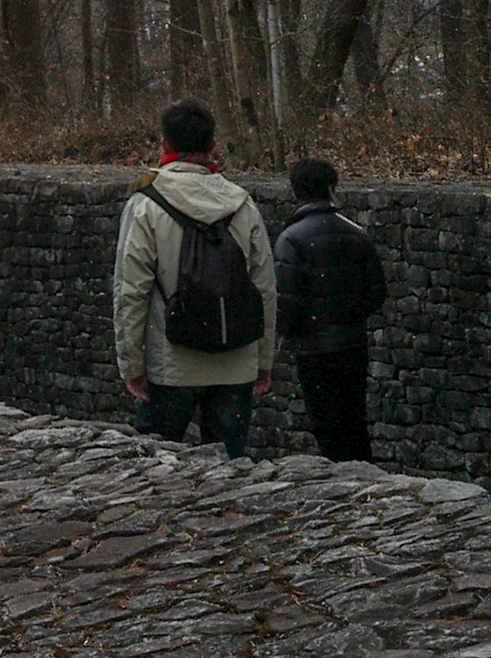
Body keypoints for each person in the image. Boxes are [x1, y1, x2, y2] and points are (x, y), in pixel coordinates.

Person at [111, 101, 278, 453]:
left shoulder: (146, 205)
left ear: (164, 145)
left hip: (171, 362)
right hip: (235, 360)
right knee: (232, 470)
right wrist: (263, 361)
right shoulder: (243, 205)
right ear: (213, 146)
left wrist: (132, 364)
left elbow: (131, 292)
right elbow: (264, 289)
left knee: (154, 466)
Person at [271, 155, 383, 462]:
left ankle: (341, 479)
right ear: (331, 188)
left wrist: (286, 332)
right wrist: (349, 316)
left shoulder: (290, 238)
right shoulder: (356, 234)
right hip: (351, 342)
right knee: (354, 420)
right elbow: (376, 292)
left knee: (325, 422)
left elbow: (287, 298)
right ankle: (365, 477)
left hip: (313, 346)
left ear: (295, 191)